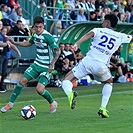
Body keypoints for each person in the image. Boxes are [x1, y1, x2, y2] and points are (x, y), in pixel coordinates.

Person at [60, 14, 133, 118]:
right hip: (101, 66)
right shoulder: (120, 36)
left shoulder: (98, 30)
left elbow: (89, 34)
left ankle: (69, 93)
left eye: (104, 21)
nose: (102, 22)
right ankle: (103, 108)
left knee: (66, 80)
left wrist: (77, 43)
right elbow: (131, 38)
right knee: (109, 82)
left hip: (88, 61)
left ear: (107, 22)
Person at [0, 16, 61, 113]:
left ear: (43, 26)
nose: (38, 29)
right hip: (37, 63)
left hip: (46, 66)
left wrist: (52, 64)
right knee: (21, 81)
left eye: (40, 27)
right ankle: (10, 104)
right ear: (34, 26)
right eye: (36, 27)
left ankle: (52, 102)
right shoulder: (35, 35)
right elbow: (29, 43)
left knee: (39, 90)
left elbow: (57, 51)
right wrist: (15, 42)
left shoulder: (48, 36)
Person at [0, 21, 11, 93]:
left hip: (4, 54)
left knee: (4, 72)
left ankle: (1, 86)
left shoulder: (2, 35)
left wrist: (17, 51)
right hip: (0, 55)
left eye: (1, 24)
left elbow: (9, 43)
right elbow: (1, 44)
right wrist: (6, 44)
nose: (0, 25)